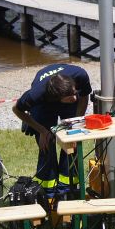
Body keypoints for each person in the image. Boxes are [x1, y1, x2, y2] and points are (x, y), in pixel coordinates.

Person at [12, 64, 91, 197]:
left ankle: (67, 189)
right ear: (59, 98)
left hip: (65, 98)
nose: (75, 98)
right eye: (70, 96)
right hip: (43, 106)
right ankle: (47, 193)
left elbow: (83, 97)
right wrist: (41, 130)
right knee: (46, 147)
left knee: (72, 144)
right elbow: (16, 109)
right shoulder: (35, 95)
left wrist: (76, 122)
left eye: (74, 92)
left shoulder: (80, 76)